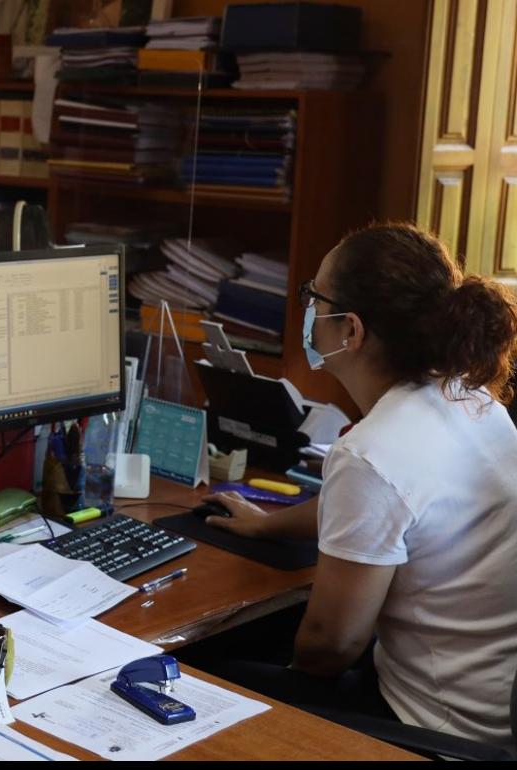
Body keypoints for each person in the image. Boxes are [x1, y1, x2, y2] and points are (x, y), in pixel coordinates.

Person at [199, 222, 517, 748]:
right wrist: (268, 524)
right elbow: (390, 508)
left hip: (435, 727)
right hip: (491, 705)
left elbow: (330, 647)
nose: (306, 308)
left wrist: (284, 666)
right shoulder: (470, 399)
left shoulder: (372, 454)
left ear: (350, 330)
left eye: (312, 296)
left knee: (199, 671)